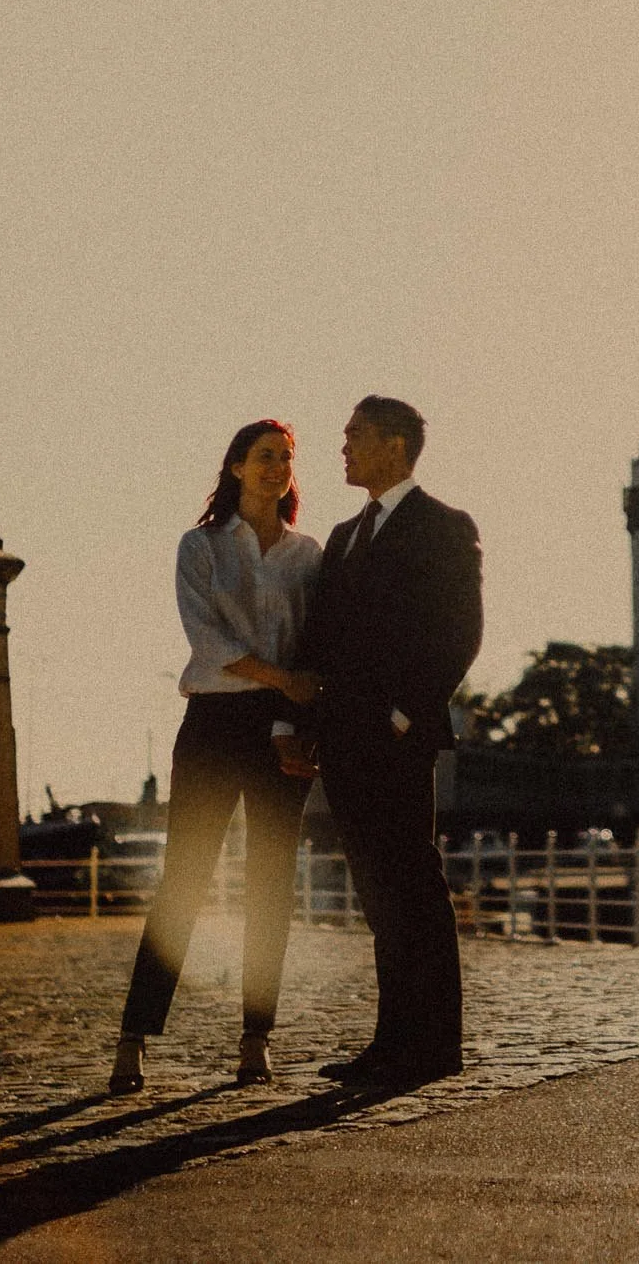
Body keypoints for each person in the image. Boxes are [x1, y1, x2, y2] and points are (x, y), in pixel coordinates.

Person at [110, 419, 324, 1094]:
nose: (276, 467)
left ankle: (257, 1036)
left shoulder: (307, 555)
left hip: (281, 726)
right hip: (212, 722)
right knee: (184, 878)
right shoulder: (198, 545)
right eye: (264, 456)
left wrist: (290, 714)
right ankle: (134, 1036)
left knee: (270, 883)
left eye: (286, 457)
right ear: (235, 466)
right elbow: (208, 641)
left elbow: (312, 648)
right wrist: (283, 679)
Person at [281, 394, 483, 1093]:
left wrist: (403, 715)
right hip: (343, 738)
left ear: (395, 446)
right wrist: (301, 725)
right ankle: (392, 1041)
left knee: (414, 886)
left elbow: (460, 633)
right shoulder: (342, 537)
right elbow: (321, 639)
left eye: (355, 435)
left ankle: (437, 1045)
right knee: (376, 894)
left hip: (398, 737)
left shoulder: (445, 526)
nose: (342, 447)